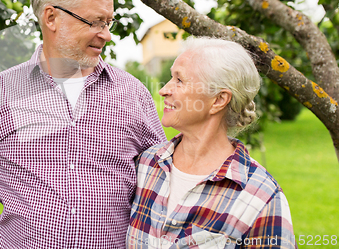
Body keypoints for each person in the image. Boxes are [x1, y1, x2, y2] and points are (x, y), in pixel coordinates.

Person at [0, 0, 167, 249]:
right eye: (95, 21)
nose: (106, 34)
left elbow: (163, 189)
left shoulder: (133, 93)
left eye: (107, 22)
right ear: (51, 17)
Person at [127, 37, 297, 249]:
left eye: (179, 80)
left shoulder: (262, 198)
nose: (164, 90)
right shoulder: (146, 165)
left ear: (218, 100)